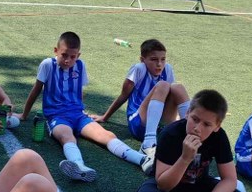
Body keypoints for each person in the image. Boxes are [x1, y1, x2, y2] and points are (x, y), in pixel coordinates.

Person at [18, 31, 153, 182]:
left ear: (78, 55)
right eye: (64, 55)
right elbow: (36, 90)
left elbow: (79, 91)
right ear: (56, 51)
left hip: (78, 115)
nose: (68, 60)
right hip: (57, 116)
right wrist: (24, 114)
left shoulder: (80, 66)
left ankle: (143, 160)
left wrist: (81, 111)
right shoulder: (47, 65)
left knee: (107, 135)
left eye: (73, 57)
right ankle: (79, 166)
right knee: (66, 136)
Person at [136, 89, 251, 192]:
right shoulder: (170, 134)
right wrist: (185, 158)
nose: (197, 128)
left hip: (199, 187)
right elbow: (163, 185)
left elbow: (230, 180)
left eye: (207, 125)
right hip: (170, 191)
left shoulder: (219, 137)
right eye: (195, 119)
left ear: (217, 126)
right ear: (187, 113)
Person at [93, 38, 190, 173]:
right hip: (138, 123)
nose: (159, 64)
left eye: (163, 59)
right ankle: (148, 144)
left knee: (178, 87)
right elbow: (123, 95)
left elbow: (171, 97)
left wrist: (178, 119)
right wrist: (105, 117)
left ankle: (189, 135)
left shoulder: (167, 69)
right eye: (154, 59)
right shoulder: (139, 69)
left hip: (159, 125)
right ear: (142, 59)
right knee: (163, 85)